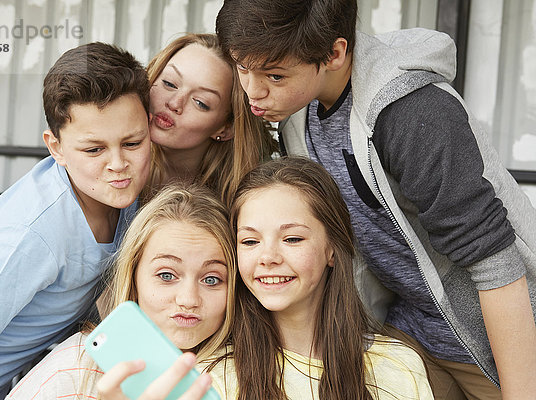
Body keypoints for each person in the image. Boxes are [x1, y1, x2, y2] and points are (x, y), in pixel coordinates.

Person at [215, 1, 536, 399]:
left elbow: (495, 262)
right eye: (242, 68)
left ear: (334, 53)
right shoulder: (299, 109)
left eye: (275, 75)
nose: (253, 90)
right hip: (409, 335)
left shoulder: (411, 113)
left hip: (499, 342)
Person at [0, 42, 151, 399]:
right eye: (93, 149)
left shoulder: (120, 198)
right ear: (56, 148)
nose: (117, 164)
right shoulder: (26, 235)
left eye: (132, 142)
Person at [206, 157, 432, 399]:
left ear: (332, 249)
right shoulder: (212, 379)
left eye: (292, 239)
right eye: (250, 241)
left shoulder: (399, 367)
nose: (268, 257)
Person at [6, 184, 235, 399]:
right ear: (133, 277)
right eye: (166, 275)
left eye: (212, 279)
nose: (188, 299)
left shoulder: (248, 372)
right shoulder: (74, 367)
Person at [144, 33, 277, 205]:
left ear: (226, 128)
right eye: (169, 83)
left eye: (200, 102)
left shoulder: (248, 201)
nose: (175, 103)